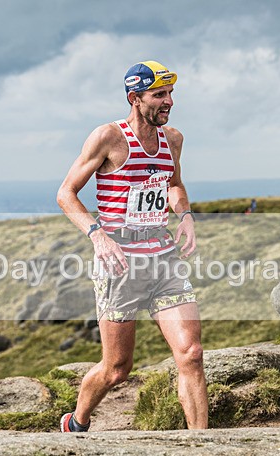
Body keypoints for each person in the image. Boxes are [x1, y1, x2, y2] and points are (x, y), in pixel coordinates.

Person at [57, 60, 208, 431]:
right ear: (135, 98)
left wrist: (185, 216)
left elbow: (173, 184)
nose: (169, 101)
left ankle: (203, 446)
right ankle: (77, 421)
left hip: (163, 260)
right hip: (119, 263)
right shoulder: (109, 137)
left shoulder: (173, 139)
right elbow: (66, 194)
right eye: (159, 94)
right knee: (117, 370)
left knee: (191, 353)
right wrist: (98, 235)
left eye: (171, 93)